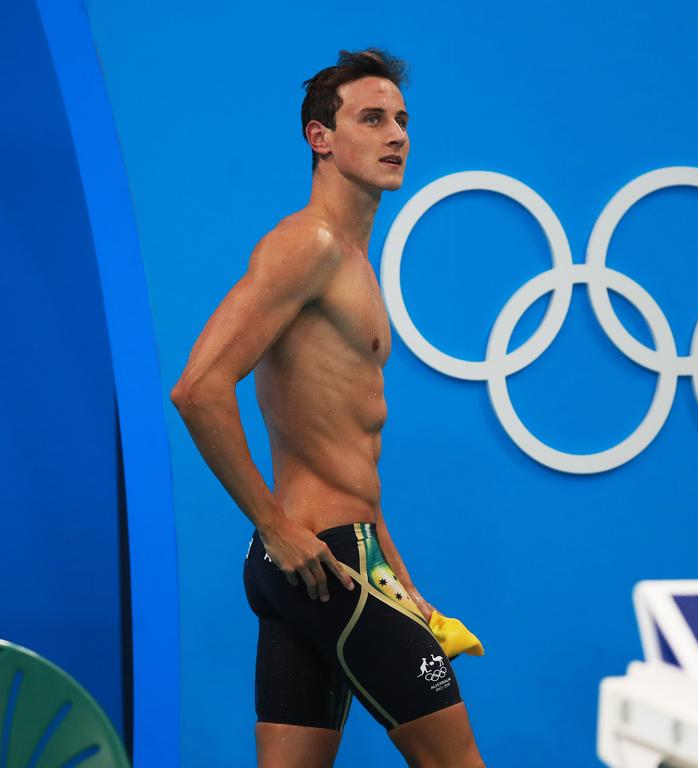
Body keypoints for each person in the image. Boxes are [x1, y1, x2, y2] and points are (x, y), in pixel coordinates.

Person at [170, 48, 486, 768]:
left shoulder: (353, 259)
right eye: (372, 119)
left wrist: (407, 587)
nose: (396, 135)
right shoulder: (306, 245)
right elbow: (198, 389)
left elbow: (348, 462)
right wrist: (275, 525)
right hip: (328, 564)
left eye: (401, 120)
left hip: (329, 562)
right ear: (321, 138)